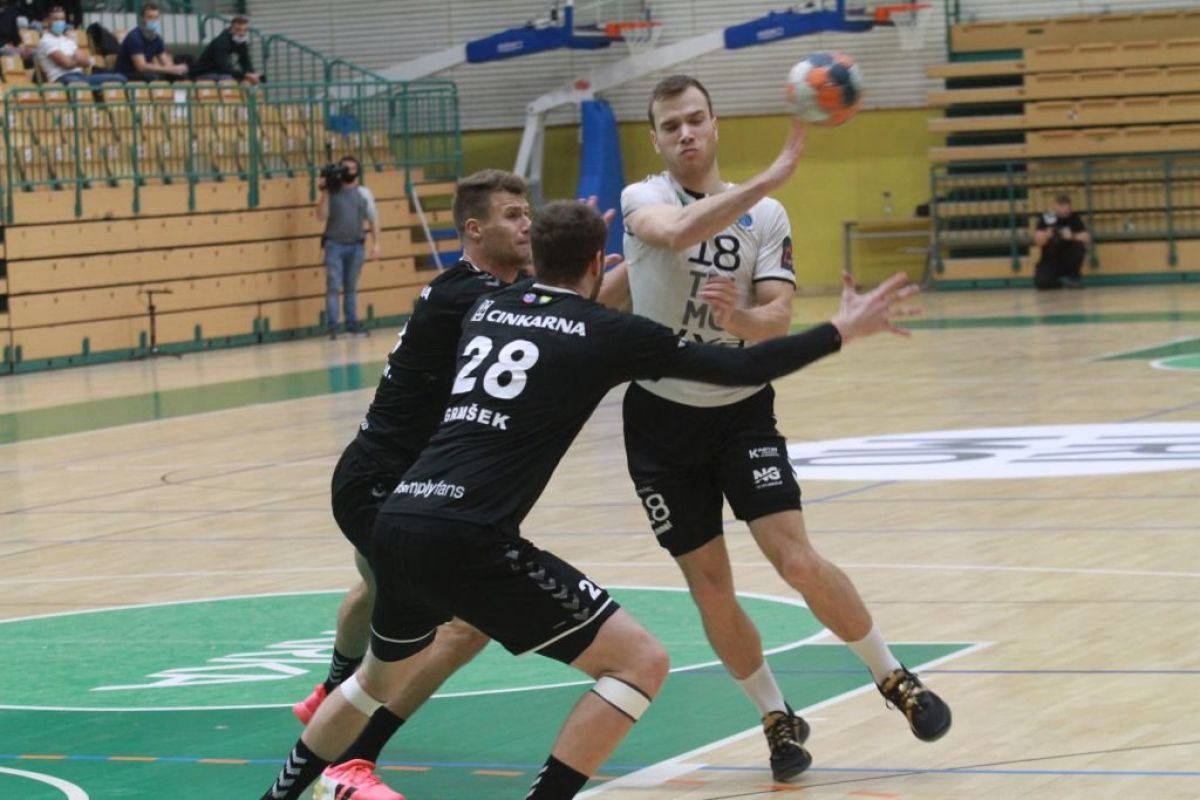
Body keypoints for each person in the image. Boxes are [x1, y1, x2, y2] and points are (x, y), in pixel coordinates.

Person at [258, 199, 920, 800]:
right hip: (468, 534)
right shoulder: (604, 332)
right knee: (640, 663)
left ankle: (283, 794)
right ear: (598, 262)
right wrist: (840, 329)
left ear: (537, 255)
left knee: (373, 681)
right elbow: (741, 367)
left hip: (401, 516)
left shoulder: (488, 308)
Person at [620, 75, 951, 781]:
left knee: (796, 560)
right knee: (711, 586)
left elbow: (775, 316)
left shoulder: (766, 216)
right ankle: (775, 716)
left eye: (695, 119)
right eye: (671, 125)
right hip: (659, 422)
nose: (685, 133)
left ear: (715, 125)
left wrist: (737, 318)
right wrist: (769, 176)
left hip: (740, 408)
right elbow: (675, 232)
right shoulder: (643, 197)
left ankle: (893, 675)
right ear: (656, 140)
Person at [317, 155, 381, 339]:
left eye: (352, 168)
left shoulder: (363, 193)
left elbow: (373, 219)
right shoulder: (333, 192)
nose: (349, 172)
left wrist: (377, 243)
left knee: (351, 286)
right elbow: (321, 216)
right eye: (345, 168)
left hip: (356, 246)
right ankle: (333, 326)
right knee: (333, 286)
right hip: (334, 245)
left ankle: (352, 324)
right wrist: (325, 191)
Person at [34, 5, 126, 87]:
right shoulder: (46, 41)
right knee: (77, 84)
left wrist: (73, 59)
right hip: (61, 79)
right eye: (56, 19)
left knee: (120, 78)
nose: (60, 22)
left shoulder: (67, 39)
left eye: (62, 19)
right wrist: (77, 60)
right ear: (46, 21)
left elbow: (86, 62)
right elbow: (66, 64)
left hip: (81, 76)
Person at [115, 1, 187, 82]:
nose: (154, 21)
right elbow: (141, 66)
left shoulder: (156, 38)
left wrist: (175, 70)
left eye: (156, 17)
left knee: (178, 75)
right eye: (150, 17)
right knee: (151, 76)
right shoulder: (135, 37)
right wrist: (168, 69)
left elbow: (166, 61)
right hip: (127, 74)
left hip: (144, 74)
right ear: (142, 18)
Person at [1034, 193, 1089, 290]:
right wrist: (1047, 235)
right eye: (1062, 209)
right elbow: (1038, 242)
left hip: (1068, 257)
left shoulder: (1073, 217)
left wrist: (1072, 236)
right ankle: (1059, 283)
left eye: (1067, 209)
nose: (1065, 212)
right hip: (1050, 259)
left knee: (1079, 246)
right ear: (1055, 207)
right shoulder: (1048, 217)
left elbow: (1086, 237)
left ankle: (1073, 278)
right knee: (1042, 283)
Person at [192, 13, 259, 84]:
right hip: (205, 73)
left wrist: (253, 74)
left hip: (221, 74)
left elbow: (246, 62)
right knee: (228, 79)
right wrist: (245, 75)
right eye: (238, 30)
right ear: (231, 29)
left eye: (245, 30)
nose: (242, 33)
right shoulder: (221, 42)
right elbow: (224, 68)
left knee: (249, 81)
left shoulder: (241, 42)